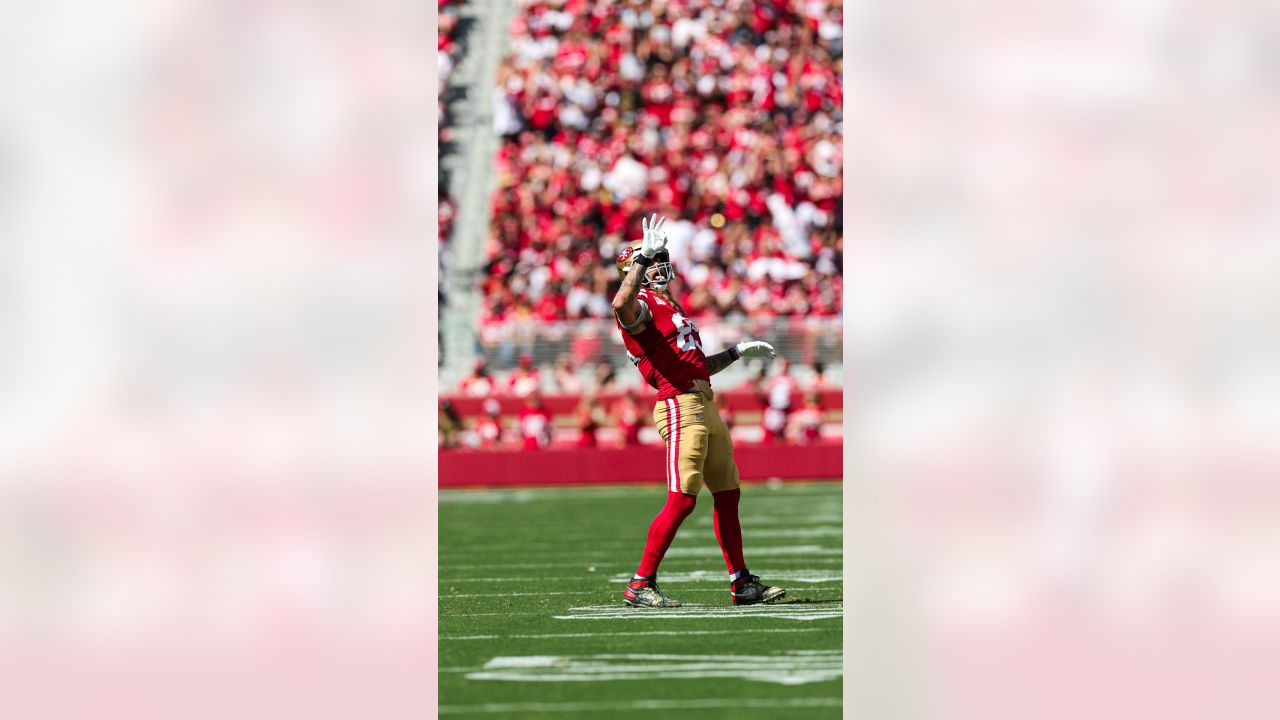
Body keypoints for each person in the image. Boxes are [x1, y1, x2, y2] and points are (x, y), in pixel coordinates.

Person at [612, 214, 786, 608]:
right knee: (683, 498)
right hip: (678, 405)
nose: (659, 262)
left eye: (659, 256)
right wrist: (640, 259)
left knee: (728, 493)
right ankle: (640, 584)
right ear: (633, 267)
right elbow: (620, 302)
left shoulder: (668, 305)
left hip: (703, 401)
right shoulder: (637, 303)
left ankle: (741, 582)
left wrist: (736, 352)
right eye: (652, 258)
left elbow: (697, 367)